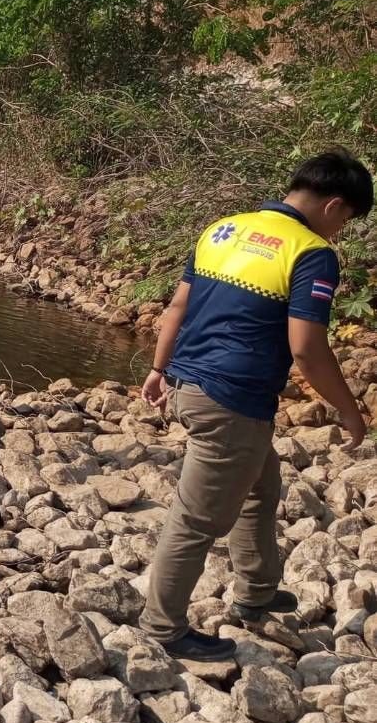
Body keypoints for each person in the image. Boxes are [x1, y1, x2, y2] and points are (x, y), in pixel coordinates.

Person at [139, 150, 372, 661]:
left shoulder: (224, 229)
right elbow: (306, 348)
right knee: (196, 520)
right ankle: (162, 628)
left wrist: (158, 368)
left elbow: (177, 306)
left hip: (189, 384)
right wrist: (349, 409)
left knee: (260, 487)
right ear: (334, 205)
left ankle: (256, 591)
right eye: (346, 221)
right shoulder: (312, 252)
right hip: (232, 399)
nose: (340, 232)